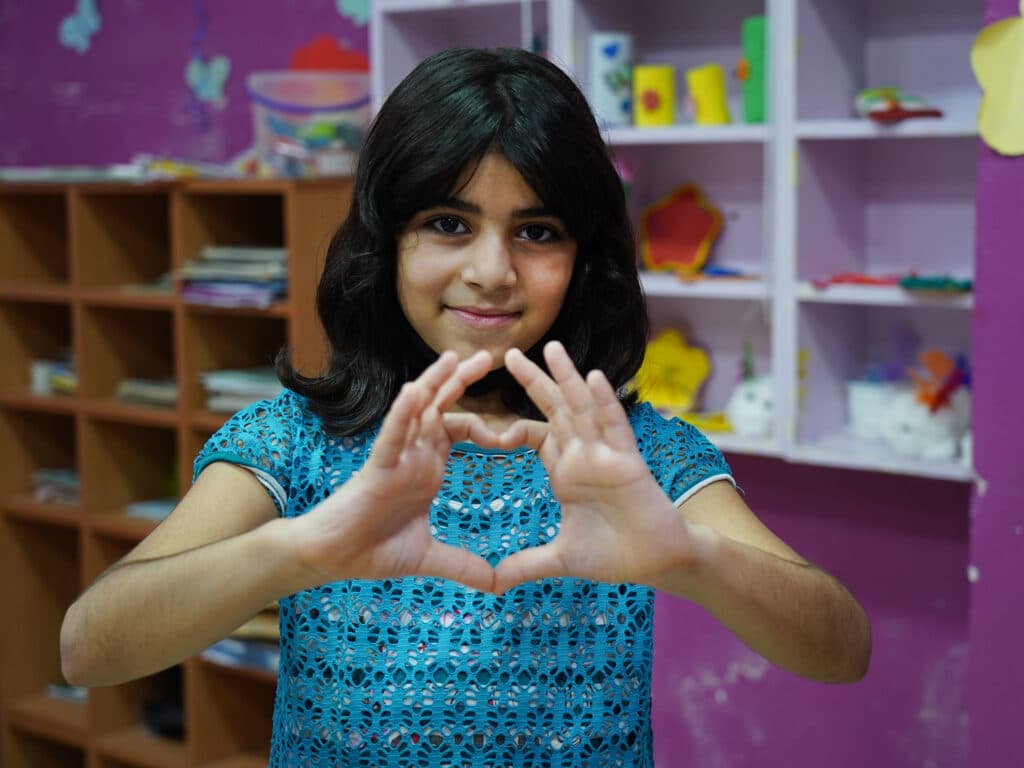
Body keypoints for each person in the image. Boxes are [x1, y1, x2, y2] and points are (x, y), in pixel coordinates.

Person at [60, 47, 871, 766]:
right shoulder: (295, 441)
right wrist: (300, 552)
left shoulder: (633, 456)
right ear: (388, 245)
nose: (492, 270)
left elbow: (843, 649)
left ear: (584, 261)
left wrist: (693, 557)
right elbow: (89, 649)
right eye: (448, 223)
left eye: (538, 231)